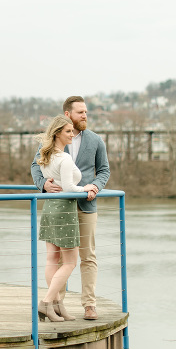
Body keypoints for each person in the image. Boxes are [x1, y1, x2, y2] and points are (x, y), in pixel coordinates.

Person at [31, 96, 110, 320]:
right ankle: (56, 303)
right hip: (58, 206)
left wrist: (95, 185)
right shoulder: (52, 139)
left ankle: (89, 305)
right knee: (58, 259)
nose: (85, 116)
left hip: (86, 205)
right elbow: (36, 166)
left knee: (88, 256)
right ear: (68, 115)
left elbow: (104, 170)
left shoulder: (95, 140)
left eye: (86, 112)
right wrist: (43, 185)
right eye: (80, 113)